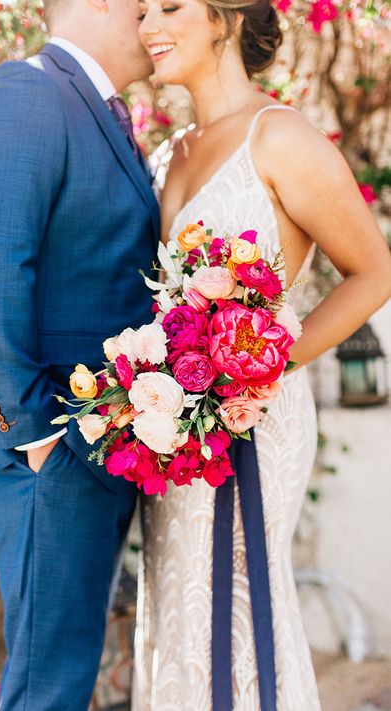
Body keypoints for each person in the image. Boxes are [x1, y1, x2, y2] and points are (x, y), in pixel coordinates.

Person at [134, 0, 391, 709]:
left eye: (169, 6)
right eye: (142, 10)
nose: (147, 24)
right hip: (175, 427)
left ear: (225, 18)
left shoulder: (280, 139)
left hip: (254, 420)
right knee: (177, 596)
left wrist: (263, 365)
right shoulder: (169, 151)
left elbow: (374, 271)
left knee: (240, 604)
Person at [0, 0, 159, 708]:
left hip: (92, 449)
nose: (154, 15)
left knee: (65, 672)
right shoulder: (25, 92)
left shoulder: (102, 112)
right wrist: (33, 436)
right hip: (49, 450)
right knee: (49, 686)